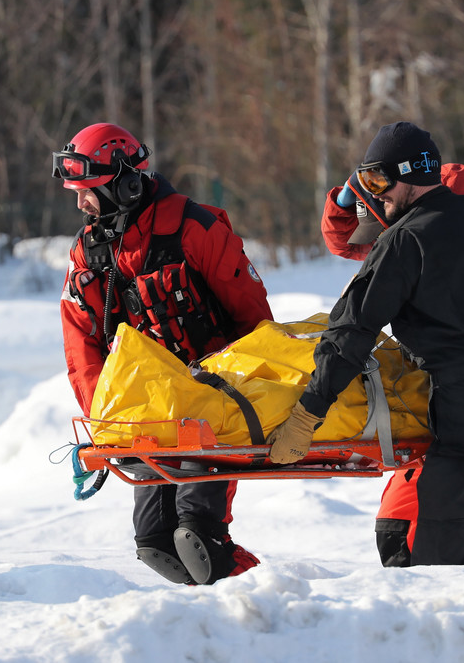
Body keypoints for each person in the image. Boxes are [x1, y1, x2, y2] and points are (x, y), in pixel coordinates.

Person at [268, 121, 464, 566]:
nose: (375, 195)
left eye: (379, 181)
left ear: (409, 177)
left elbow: (350, 332)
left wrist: (309, 413)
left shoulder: (405, 240)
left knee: (440, 573)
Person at [55, 122, 272, 585]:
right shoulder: (89, 252)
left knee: (197, 540)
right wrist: (105, 415)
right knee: (155, 545)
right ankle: (202, 629)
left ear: (127, 183)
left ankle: (268, 605)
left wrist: (248, 401)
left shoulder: (195, 228)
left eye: (89, 190)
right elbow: (80, 341)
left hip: (211, 406)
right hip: (146, 414)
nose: (80, 204)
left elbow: (255, 323)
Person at [320, 161, 464, 564]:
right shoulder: (406, 230)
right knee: (402, 536)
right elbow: (344, 239)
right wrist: (348, 193)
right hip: (444, 418)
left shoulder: (444, 229)